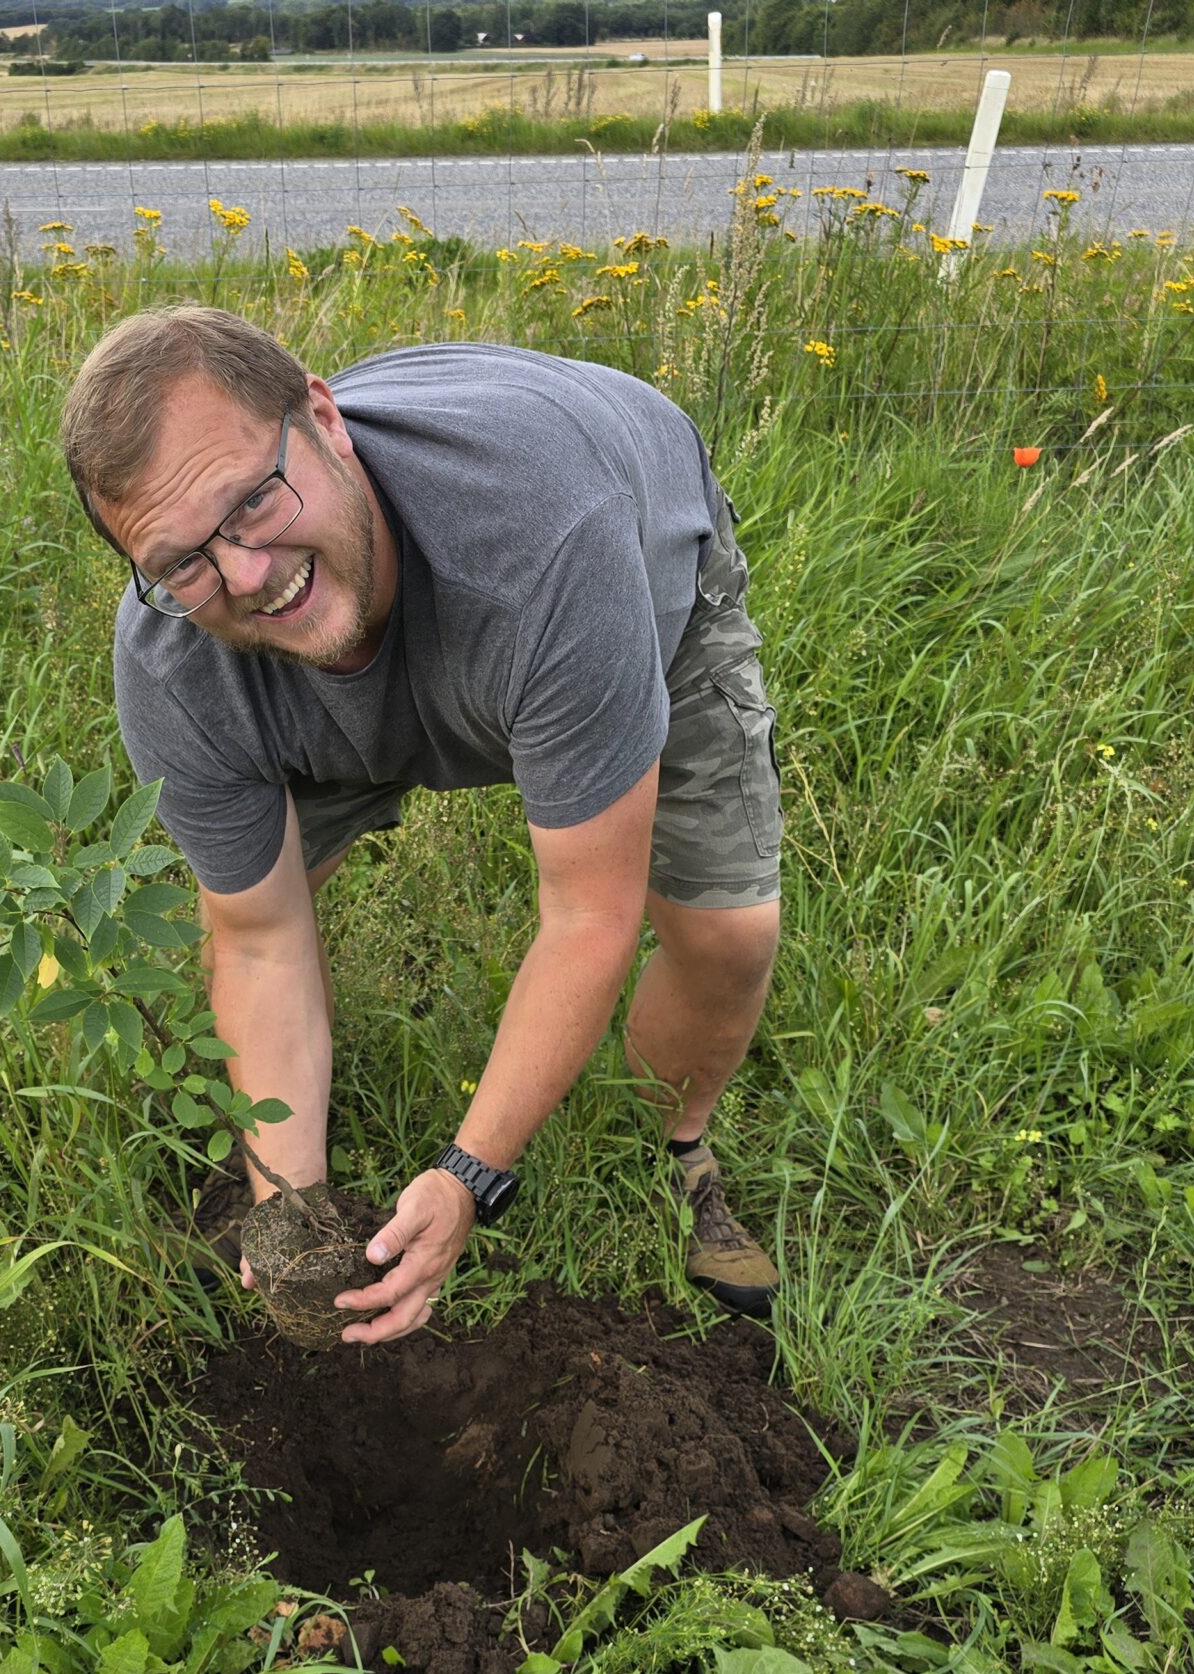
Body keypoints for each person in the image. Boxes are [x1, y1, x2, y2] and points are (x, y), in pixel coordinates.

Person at [60, 305, 784, 1345]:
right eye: (182, 561)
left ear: (323, 417)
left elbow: (587, 913)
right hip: (336, 669)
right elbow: (256, 941)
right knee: (268, 903)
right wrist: (292, 1216)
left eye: (254, 502)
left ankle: (675, 1146)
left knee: (724, 938)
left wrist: (467, 1176)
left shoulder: (550, 546)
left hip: (622, 555)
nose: (247, 574)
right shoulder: (178, 661)